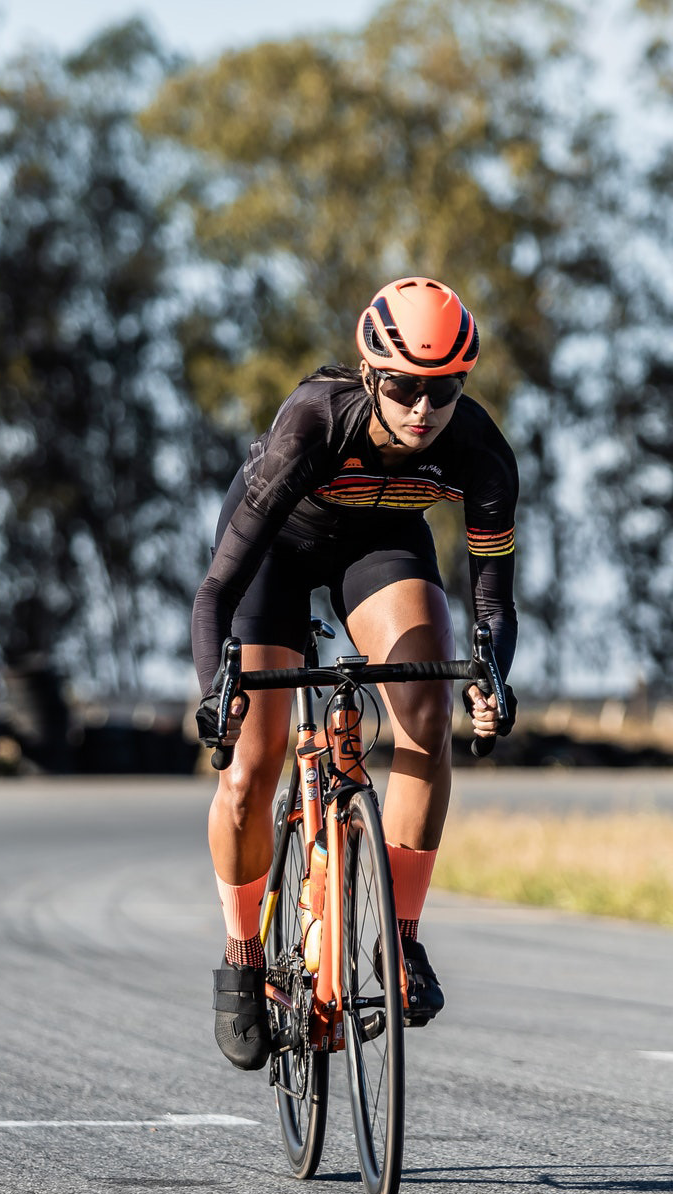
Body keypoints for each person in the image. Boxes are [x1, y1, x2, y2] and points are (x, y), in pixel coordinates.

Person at [191, 277, 518, 1070]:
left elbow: (492, 605)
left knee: (428, 714)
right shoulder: (313, 424)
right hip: (274, 553)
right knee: (252, 766)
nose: (423, 409)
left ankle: (399, 942)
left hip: (380, 544)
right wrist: (215, 692)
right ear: (373, 376)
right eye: (405, 387)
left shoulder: (480, 450)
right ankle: (242, 955)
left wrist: (492, 681)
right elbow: (215, 594)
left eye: (444, 390)